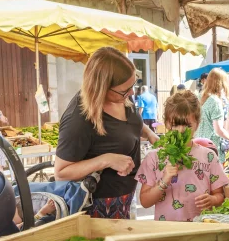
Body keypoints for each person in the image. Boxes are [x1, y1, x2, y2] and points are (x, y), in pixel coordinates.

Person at [55, 47, 158, 220]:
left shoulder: (123, 95)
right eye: (126, 90)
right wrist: (106, 160)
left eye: (133, 85)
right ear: (102, 88)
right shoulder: (78, 119)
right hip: (97, 206)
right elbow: (61, 172)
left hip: (126, 196)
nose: (132, 93)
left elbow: (131, 124)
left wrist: (149, 134)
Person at [136, 91, 229, 221]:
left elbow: (220, 195)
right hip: (167, 233)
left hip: (199, 230)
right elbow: (145, 202)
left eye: (187, 125)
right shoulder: (154, 158)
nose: (181, 131)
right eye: (175, 125)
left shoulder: (209, 156)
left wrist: (212, 200)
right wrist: (164, 181)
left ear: (197, 123)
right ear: (167, 123)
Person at [195, 68, 229, 161]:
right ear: (222, 83)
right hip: (212, 148)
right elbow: (218, 130)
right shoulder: (216, 101)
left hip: (197, 144)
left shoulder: (199, 97)